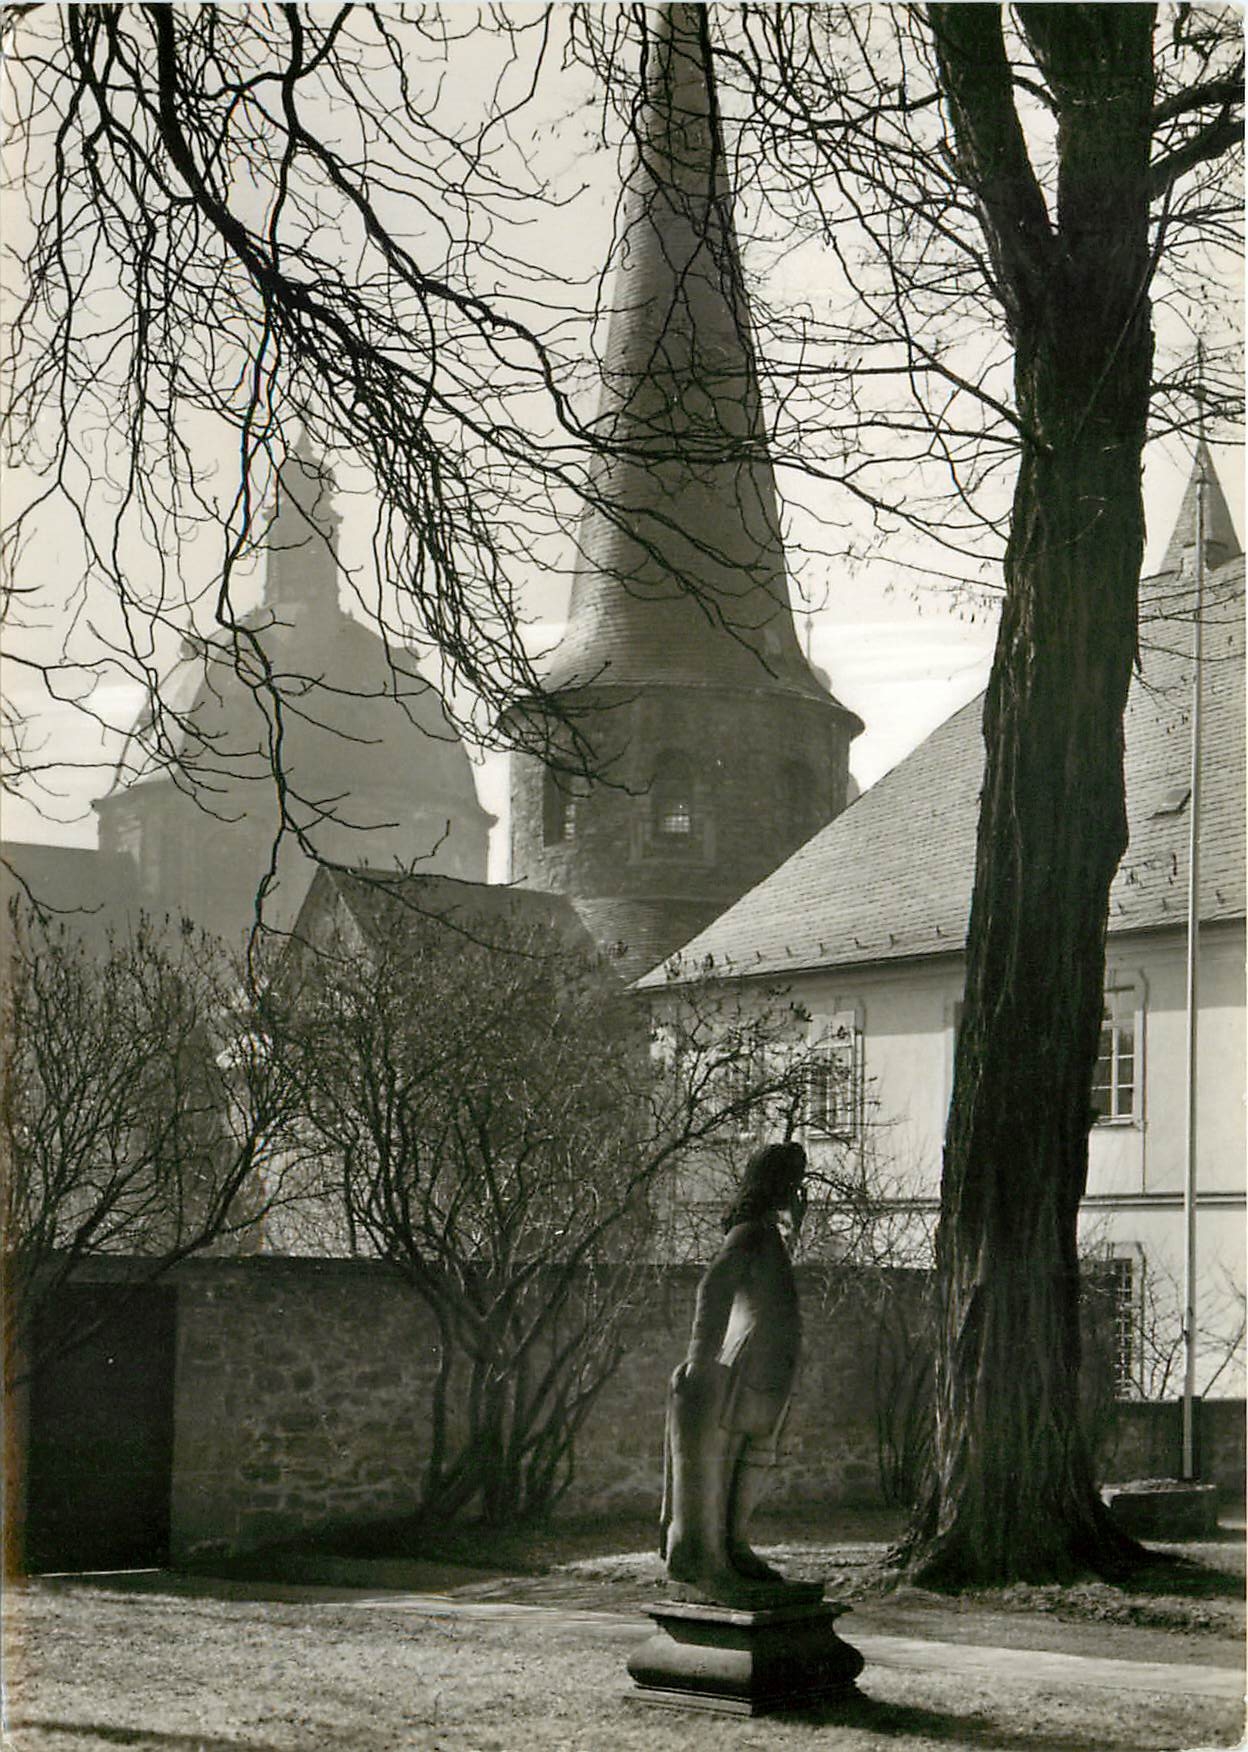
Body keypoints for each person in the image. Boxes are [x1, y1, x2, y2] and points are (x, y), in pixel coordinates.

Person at [660, 1140, 809, 1601]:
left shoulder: (768, 1233)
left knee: (757, 1456)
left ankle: (736, 1543)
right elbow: (713, 1286)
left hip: (773, 1362)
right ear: (774, 1186)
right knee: (729, 1460)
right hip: (747, 1362)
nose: (798, 1191)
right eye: (792, 1184)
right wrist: (701, 1358)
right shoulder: (748, 1232)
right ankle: (711, 1555)